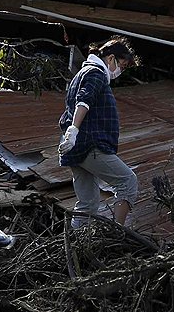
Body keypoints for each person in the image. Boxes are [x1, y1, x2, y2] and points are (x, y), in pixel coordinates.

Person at [57, 36, 140, 228]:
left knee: (87, 204)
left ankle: (75, 246)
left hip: (75, 148)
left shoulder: (82, 73)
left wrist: (71, 134)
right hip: (90, 145)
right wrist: (74, 129)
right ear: (111, 58)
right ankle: (117, 233)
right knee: (127, 182)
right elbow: (84, 101)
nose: (121, 71)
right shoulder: (96, 73)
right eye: (123, 65)